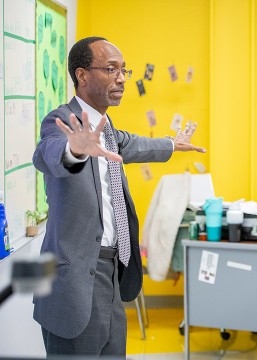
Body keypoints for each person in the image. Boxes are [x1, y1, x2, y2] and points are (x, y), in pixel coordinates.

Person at [32, 36, 206, 357]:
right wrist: (74, 149)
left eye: (124, 70)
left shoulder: (106, 127)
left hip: (114, 273)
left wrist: (171, 144)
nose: (122, 79)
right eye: (112, 69)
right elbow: (48, 154)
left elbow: (133, 144)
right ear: (82, 75)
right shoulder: (63, 122)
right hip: (77, 282)